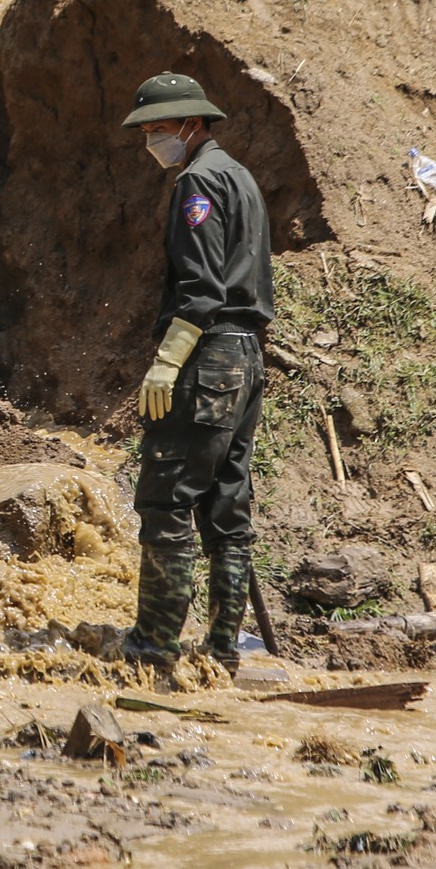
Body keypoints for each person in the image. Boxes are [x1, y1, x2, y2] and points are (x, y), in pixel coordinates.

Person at [118, 73, 275, 671]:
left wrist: (165, 362)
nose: (152, 140)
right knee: (226, 508)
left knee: (167, 496)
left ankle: (154, 645)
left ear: (192, 124)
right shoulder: (240, 176)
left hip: (208, 354)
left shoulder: (198, 182)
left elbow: (202, 289)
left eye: (159, 129)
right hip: (246, 357)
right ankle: (222, 653)